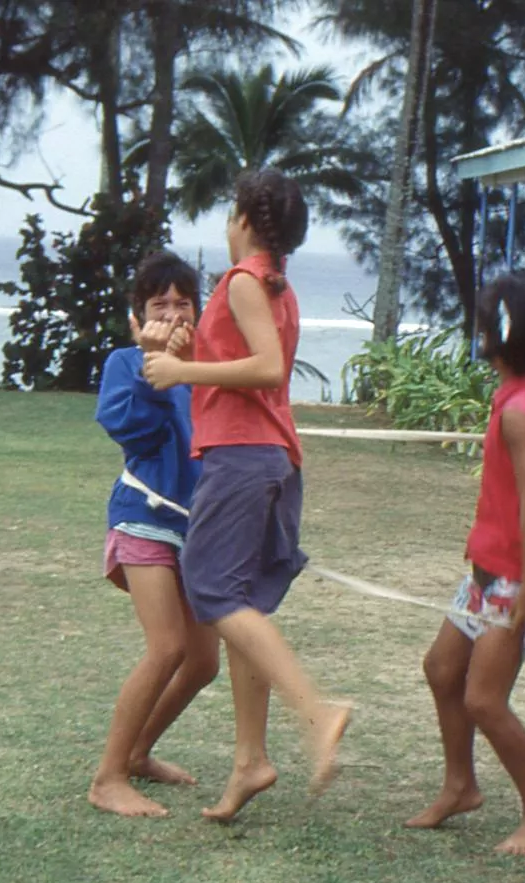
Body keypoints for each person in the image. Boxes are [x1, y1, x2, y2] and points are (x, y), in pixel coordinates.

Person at [142, 168, 350, 822]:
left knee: (210, 591)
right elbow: (246, 362)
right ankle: (249, 761)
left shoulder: (241, 281)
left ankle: (316, 712)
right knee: (244, 606)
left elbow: (266, 368)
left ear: (245, 221)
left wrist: (181, 368)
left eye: (231, 210)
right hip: (271, 457)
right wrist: (189, 351)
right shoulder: (275, 286)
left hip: (240, 457)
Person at [403, 274, 525, 856]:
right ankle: (460, 786)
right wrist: (519, 518)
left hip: (517, 582)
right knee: (442, 669)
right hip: (487, 572)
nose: (479, 336)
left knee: (484, 699)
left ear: (500, 339)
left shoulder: (523, 411)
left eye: (484, 328)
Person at [88, 252, 222, 818]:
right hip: (143, 518)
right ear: (137, 317)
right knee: (167, 647)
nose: (171, 314)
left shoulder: (211, 370)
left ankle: (139, 753)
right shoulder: (125, 363)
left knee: (203, 662)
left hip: (199, 529)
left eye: (182, 303)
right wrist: (154, 369)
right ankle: (108, 778)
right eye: (158, 305)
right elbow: (131, 431)